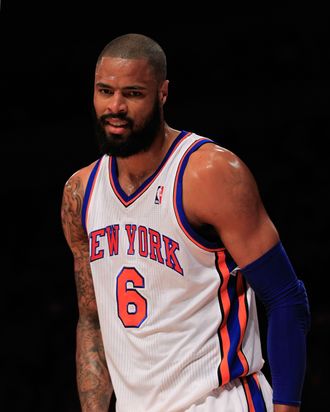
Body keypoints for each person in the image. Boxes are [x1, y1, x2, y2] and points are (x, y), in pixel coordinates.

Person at [60, 33, 310, 412]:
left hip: (218, 401)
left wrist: (287, 407)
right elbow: (91, 320)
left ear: (162, 93)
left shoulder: (209, 173)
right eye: (104, 91)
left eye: (132, 93)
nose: (115, 106)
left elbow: (286, 297)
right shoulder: (80, 192)